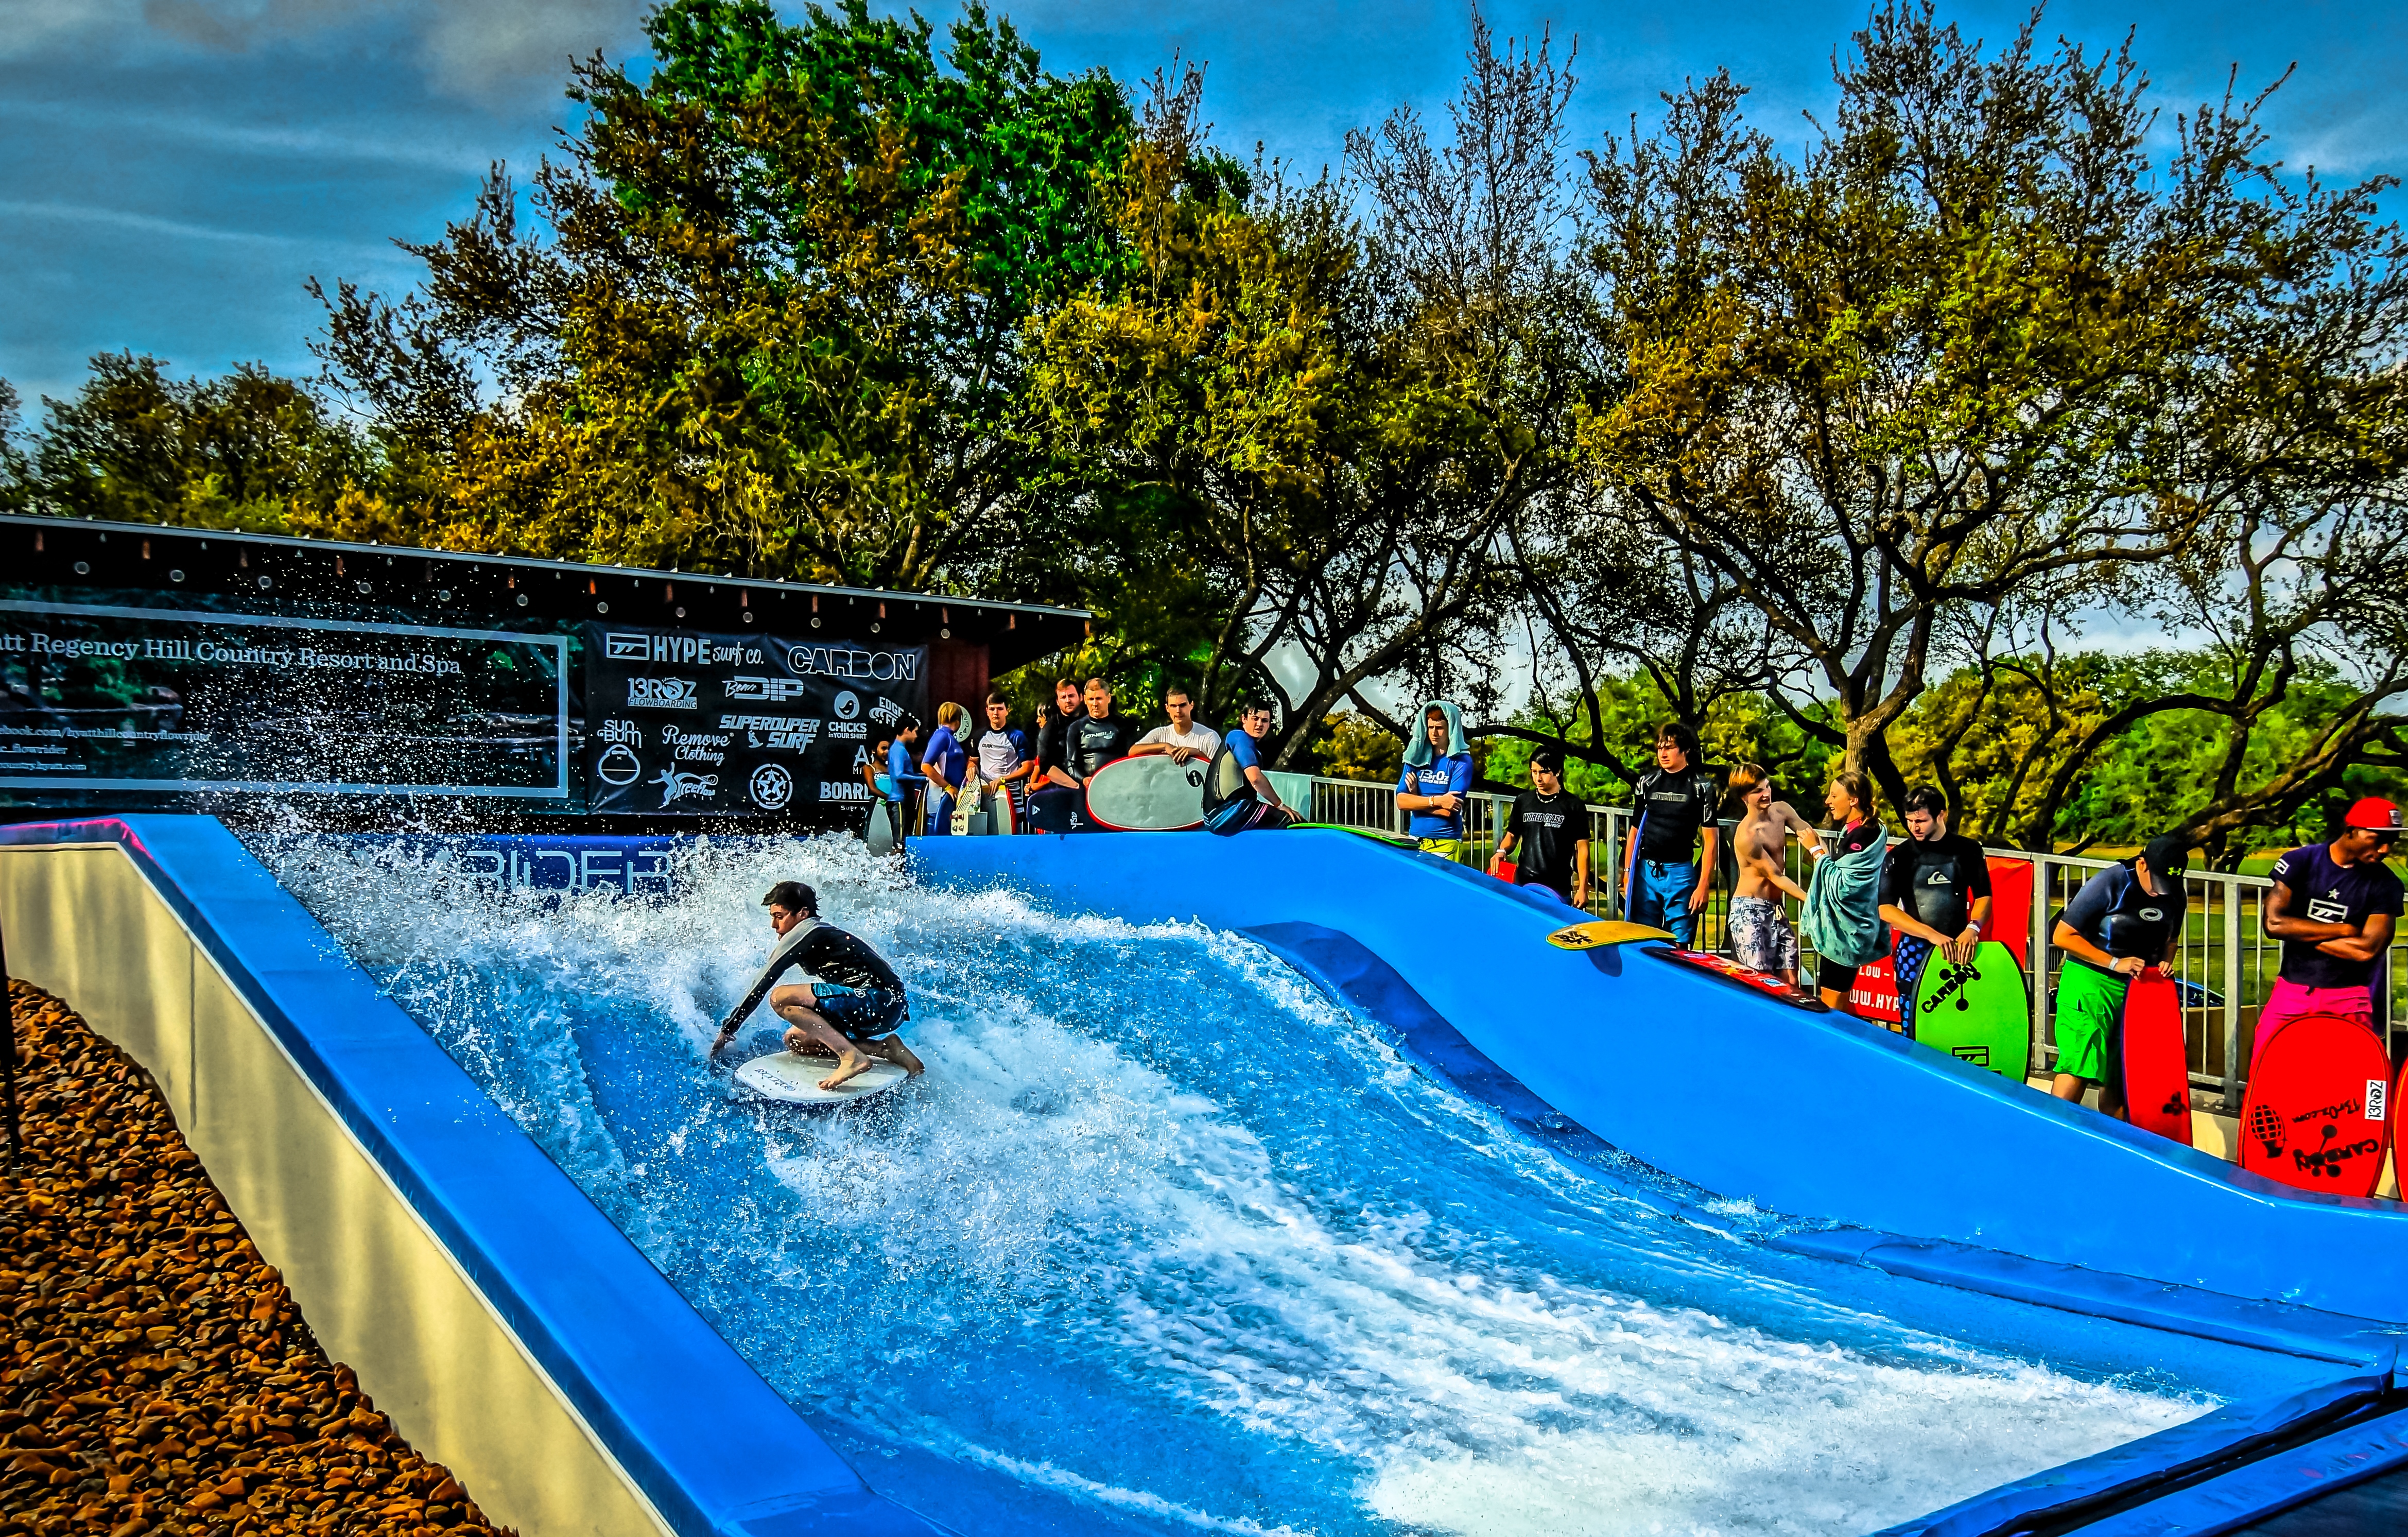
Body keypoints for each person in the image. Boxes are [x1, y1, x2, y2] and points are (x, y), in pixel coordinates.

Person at [711, 880, 923, 1091]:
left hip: (880, 1003)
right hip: (888, 1008)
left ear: (802, 914)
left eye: (780, 917)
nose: (774, 926)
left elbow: (764, 982)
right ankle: (885, 1048)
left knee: (780, 998)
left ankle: (852, 1057)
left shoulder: (808, 931)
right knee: (797, 1040)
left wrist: (729, 1029)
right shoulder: (820, 934)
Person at [2050, 833, 2191, 1111]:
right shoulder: (2111, 881)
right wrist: (2115, 962)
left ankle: (2117, 1141)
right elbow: (2063, 935)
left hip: (2137, 989)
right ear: (2142, 864)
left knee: (2123, 1072)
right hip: (2091, 982)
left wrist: (2164, 962)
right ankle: (2052, 1131)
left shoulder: (2175, 893)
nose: (2159, 892)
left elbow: (2171, 939)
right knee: (2081, 1061)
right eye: (2157, 882)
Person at [2257, 798, 2403, 1060]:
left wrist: (2298, 931)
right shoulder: (2300, 861)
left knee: (2351, 1082)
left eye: (2391, 841)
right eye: (2376, 838)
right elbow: (2274, 923)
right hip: (2292, 991)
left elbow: (2366, 951)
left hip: (2352, 996)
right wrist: (2344, 930)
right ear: (2351, 831)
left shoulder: (2387, 884)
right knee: (2266, 1064)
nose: (2385, 849)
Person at [1876, 786, 1993, 1042]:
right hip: (1916, 948)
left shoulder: (1968, 850)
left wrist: (1973, 928)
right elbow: (1886, 909)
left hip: (1959, 946)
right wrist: (1932, 935)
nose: (1914, 827)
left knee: (1959, 1023)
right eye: (1909, 821)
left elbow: (1984, 895)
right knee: (1915, 1024)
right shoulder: (1900, 856)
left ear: (1942, 815)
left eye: (1921, 821)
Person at [1724, 764, 1824, 988]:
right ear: (1744, 797)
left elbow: (1810, 835)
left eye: (1767, 786)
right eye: (1757, 791)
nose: (1766, 794)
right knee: (1760, 983)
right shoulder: (1747, 835)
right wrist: (1814, 901)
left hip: (1776, 909)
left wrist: (1826, 864)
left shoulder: (1782, 811)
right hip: (1749, 911)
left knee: (1791, 980)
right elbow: (1776, 876)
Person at [1623, 723, 1721, 947]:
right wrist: (1628, 871)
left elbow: (1711, 841)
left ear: (1685, 750)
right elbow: (1635, 831)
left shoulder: (1702, 786)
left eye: (1669, 748)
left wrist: (1704, 884)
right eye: (1660, 748)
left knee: (1680, 941)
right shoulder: (1646, 782)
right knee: (1644, 937)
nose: (1663, 754)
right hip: (1646, 869)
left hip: (1680, 871)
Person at [1801, 772, 1889, 1009]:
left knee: (1830, 1004)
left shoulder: (1862, 835)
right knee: (1841, 999)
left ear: (1853, 800)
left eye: (1834, 795)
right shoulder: (1862, 829)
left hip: (1845, 933)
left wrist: (1816, 851)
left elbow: (1844, 886)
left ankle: (1827, 1045)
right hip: (1850, 931)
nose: (1828, 801)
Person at [1497, 748, 1589, 907]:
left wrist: (1583, 888)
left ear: (1558, 771)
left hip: (1558, 888)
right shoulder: (1523, 801)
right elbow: (1512, 835)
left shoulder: (1573, 805)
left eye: (1544, 772)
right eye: (1534, 772)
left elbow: (1583, 849)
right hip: (1524, 883)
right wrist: (1501, 851)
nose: (1538, 778)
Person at [1202, 699, 1300, 833]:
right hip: (1225, 813)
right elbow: (1255, 778)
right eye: (1255, 719)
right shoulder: (1240, 737)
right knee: (1293, 822)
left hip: (1212, 816)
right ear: (1244, 719)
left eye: (1265, 721)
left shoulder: (1247, 743)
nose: (1260, 724)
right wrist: (1280, 805)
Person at [1396, 701, 1475, 858]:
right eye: (1430, 727)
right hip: (1416, 839)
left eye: (1439, 728)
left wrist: (1416, 799)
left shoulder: (1462, 761)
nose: (1434, 733)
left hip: (1446, 842)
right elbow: (1401, 802)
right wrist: (1437, 800)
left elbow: (1449, 810)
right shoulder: (1415, 757)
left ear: (1450, 729)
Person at [1025, 678, 1088, 833]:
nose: (1068, 700)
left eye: (1072, 696)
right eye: (1063, 697)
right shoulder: (1050, 728)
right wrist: (1076, 786)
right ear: (1058, 701)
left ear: (1081, 697)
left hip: (1094, 788)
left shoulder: (1093, 721)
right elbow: (1045, 765)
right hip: (1063, 791)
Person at [973, 692, 1034, 827]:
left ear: (1007, 710)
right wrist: (970, 769)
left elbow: (1029, 767)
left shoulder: (1017, 736)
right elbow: (973, 761)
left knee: (1011, 841)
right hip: (984, 796)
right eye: (992, 709)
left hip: (1010, 796)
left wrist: (1003, 780)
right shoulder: (979, 735)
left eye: (1000, 709)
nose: (996, 713)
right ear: (987, 711)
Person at [1131, 685, 1222, 765]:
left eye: (1182, 705)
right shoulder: (1160, 734)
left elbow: (1218, 772)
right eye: (1173, 706)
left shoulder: (1210, 736)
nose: (1178, 711)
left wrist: (1198, 753)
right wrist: (1165, 746)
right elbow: (1133, 752)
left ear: (1192, 705)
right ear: (1167, 708)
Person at [919, 702, 969, 836]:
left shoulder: (949, 738)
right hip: (941, 800)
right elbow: (926, 766)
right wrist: (948, 787)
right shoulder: (941, 736)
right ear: (958, 720)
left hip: (951, 800)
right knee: (938, 841)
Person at [880, 716, 924, 847]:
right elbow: (899, 775)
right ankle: (894, 867)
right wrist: (923, 779)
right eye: (915, 731)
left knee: (904, 843)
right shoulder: (898, 749)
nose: (917, 735)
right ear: (907, 730)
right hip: (899, 802)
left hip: (903, 802)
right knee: (899, 845)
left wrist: (919, 776)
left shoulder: (898, 748)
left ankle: (901, 867)